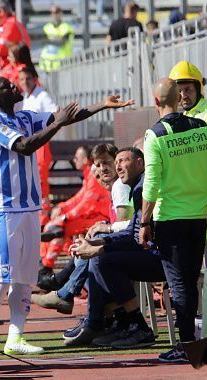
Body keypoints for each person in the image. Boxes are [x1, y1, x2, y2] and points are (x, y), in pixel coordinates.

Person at [0, 72, 133, 354]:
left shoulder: (24, 117)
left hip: (29, 206)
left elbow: (64, 116)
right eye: (5, 85)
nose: (13, 85)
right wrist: (58, 123)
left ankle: (16, 336)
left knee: (24, 276)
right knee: (3, 271)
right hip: (3, 207)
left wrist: (102, 106)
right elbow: (24, 146)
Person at [139, 78, 207, 363]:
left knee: (180, 284)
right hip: (198, 216)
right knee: (190, 281)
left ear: (156, 102)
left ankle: (187, 346)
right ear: (178, 99)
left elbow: (152, 184)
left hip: (169, 219)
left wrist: (144, 223)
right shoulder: (200, 128)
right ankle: (193, 343)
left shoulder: (155, 134)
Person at [69, 147, 165, 349]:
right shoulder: (138, 186)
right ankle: (121, 322)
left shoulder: (143, 187)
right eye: (117, 161)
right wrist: (97, 243)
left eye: (123, 160)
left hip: (165, 258)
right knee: (100, 256)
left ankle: (132, 325)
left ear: (140, 163)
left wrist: (98, 248)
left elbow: (135, 237)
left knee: (103, 260)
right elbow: (132, 231)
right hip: (157, 252)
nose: (118, 166)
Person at [168, 60, 207, 269]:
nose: (184, 95)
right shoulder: (184, 118)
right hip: (193, 198)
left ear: (198, 89)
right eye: (179, 90)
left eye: (188, 89)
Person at [39, 145, 112, 271]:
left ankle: (47, 266)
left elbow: (86, 204)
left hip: (99, 217)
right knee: (56, 228)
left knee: (58, 229)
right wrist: (62, 208)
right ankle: (49, 265)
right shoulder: (88, 175)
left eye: (77, 158)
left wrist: (64, 217)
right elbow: (79, 199)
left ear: (85, 160)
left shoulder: (93, 176)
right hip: (93, 215)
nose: (74, 160)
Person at [18, 67, 56, 226]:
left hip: (40, 144)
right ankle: (37, 217)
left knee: (41, 181)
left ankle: (43, 218)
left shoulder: (42, 95)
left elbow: (55, 113)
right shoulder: (25, 96)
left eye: (28, 78)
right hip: (30, 144)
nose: (25, 82)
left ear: (35, 79)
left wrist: (44, 133)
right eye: (22, 79)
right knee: (32, 179)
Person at [39, 5, 74, 72]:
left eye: (56, 12)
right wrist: (57, 38)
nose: (54, 14)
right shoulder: (47, 27)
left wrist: (50, 39)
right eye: (52, 12)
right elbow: (43, 41)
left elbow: (61, 43)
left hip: (62, 64)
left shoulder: (67, 27)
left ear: (61, 13)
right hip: (47, 63)